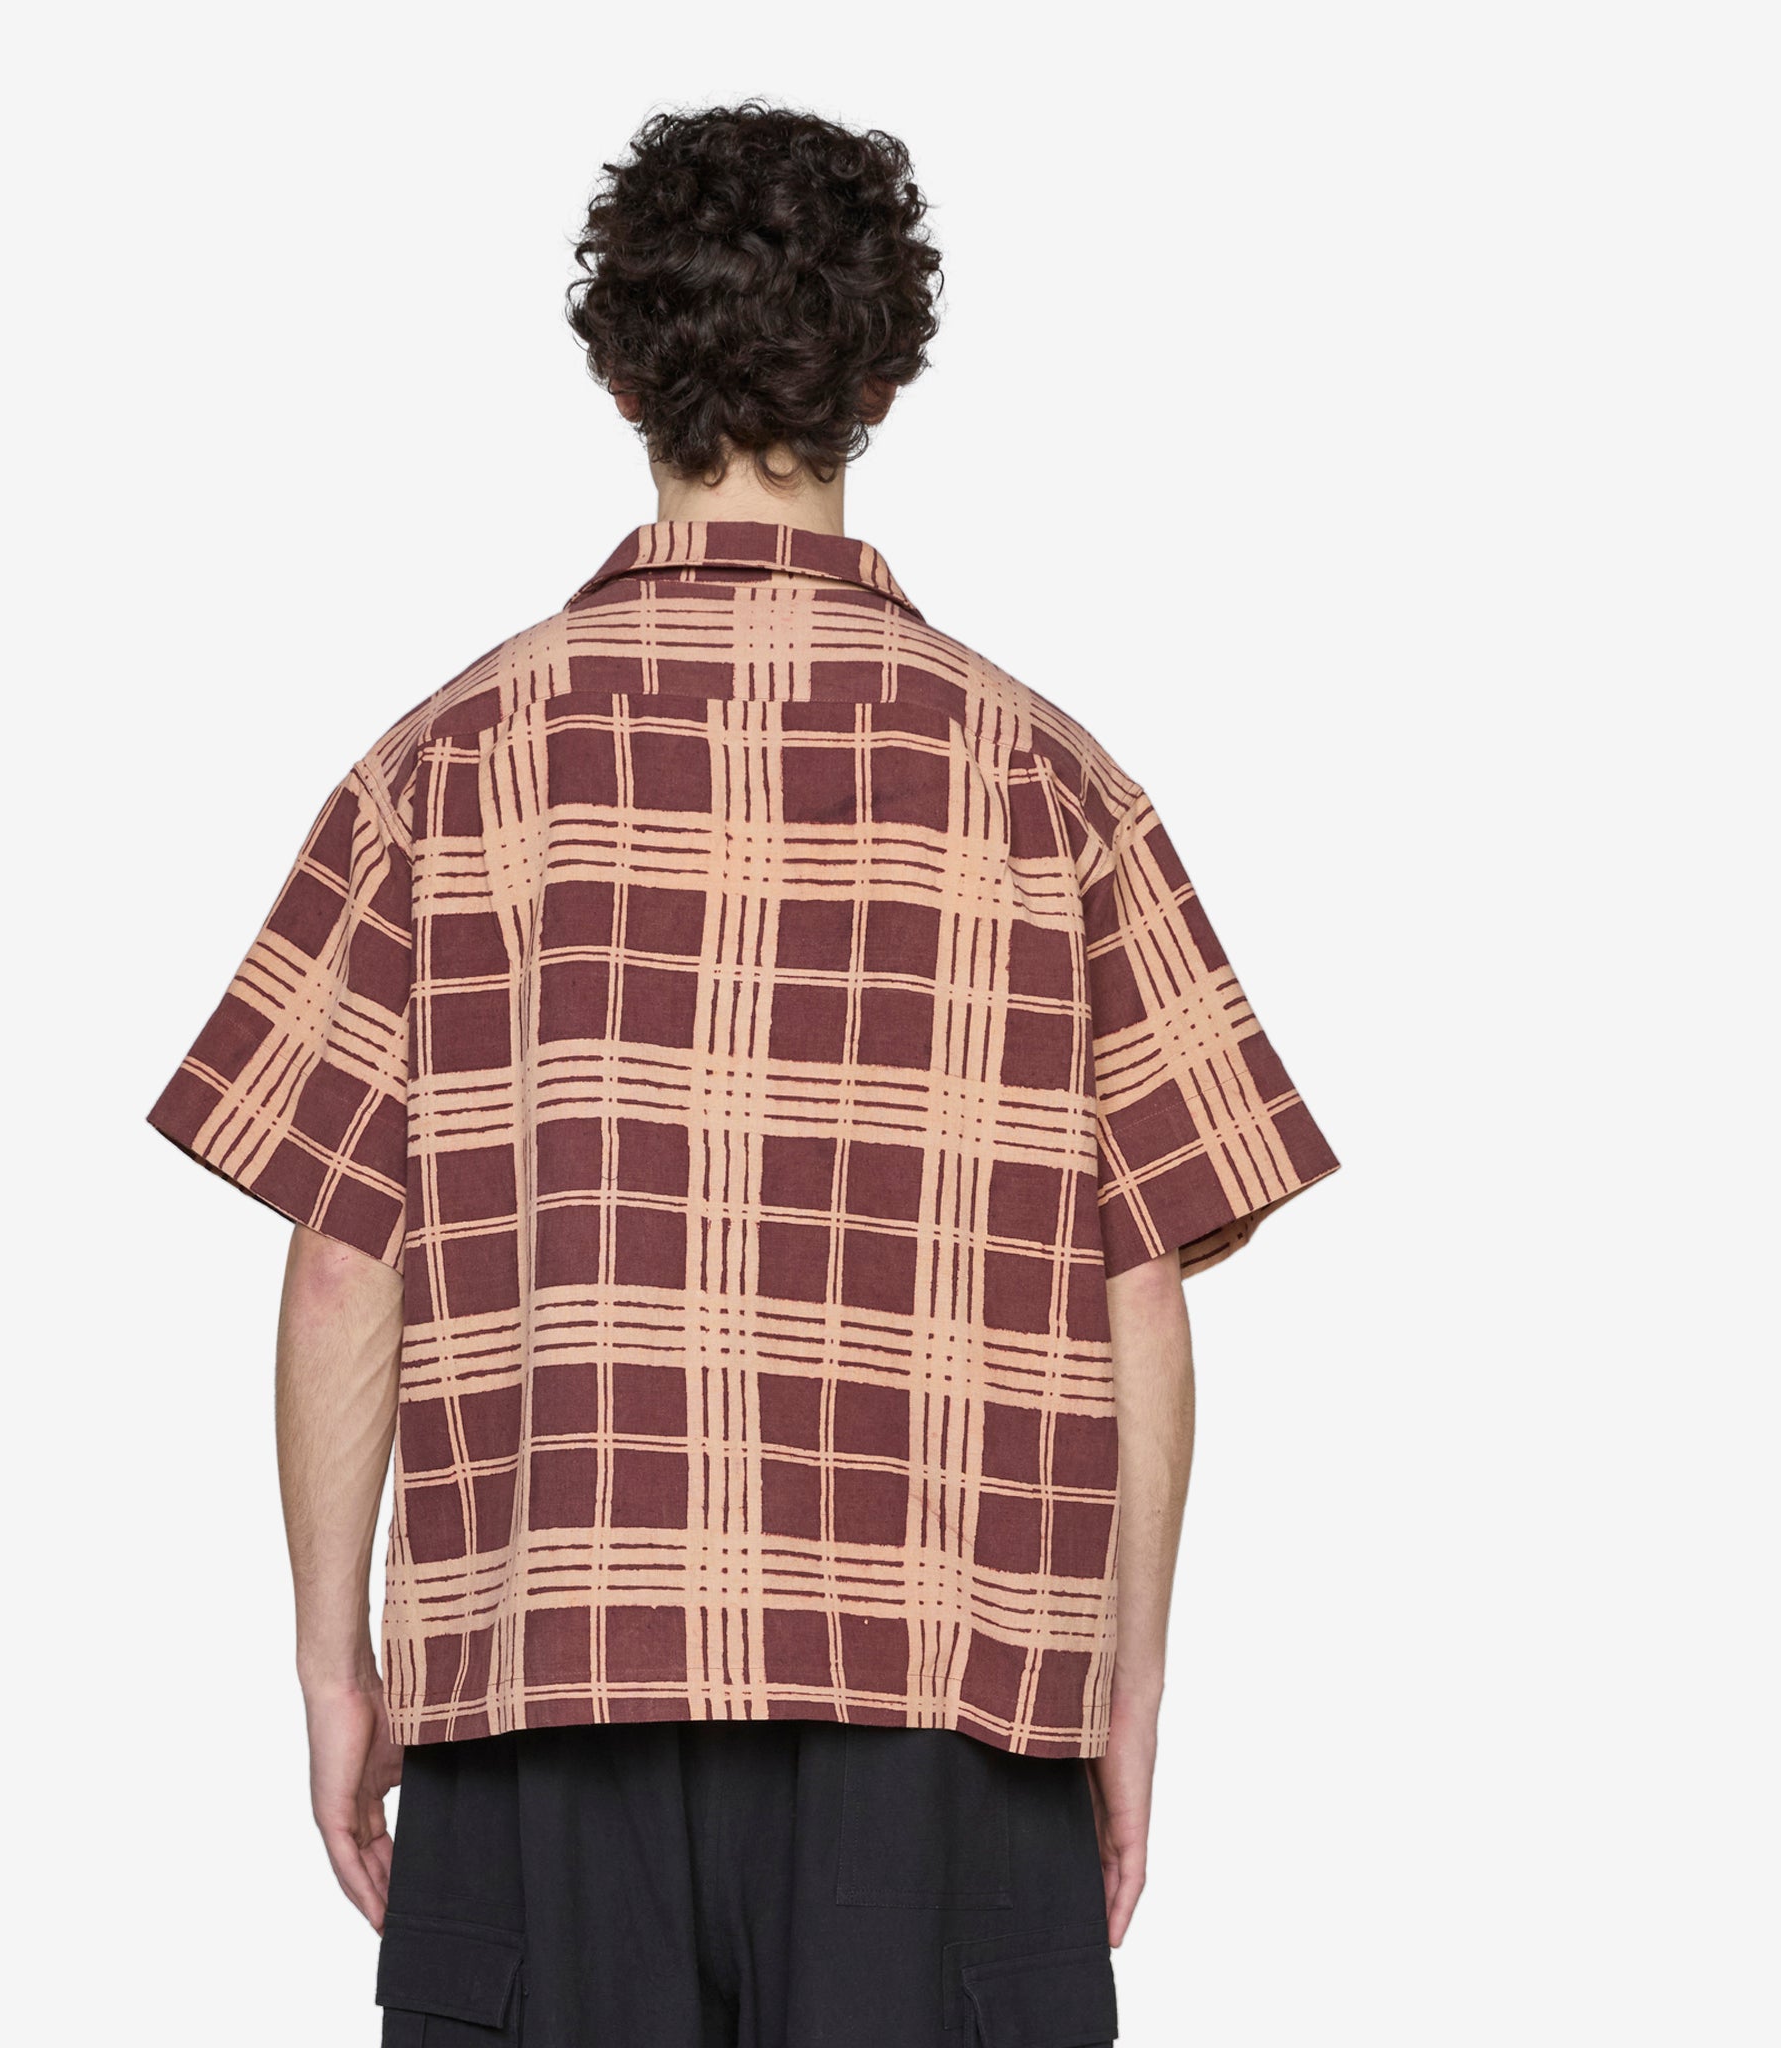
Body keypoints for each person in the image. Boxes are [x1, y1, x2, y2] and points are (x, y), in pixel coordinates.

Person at [148, 101, 1338, 2048]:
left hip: (543, 1692)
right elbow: (1136, 1280)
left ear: (623, 375)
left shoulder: (445, 769)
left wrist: (335, 1665)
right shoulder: (1052, 789)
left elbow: (349, 1255)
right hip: (946, 1710)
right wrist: (1124, 1694)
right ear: (883, 379)